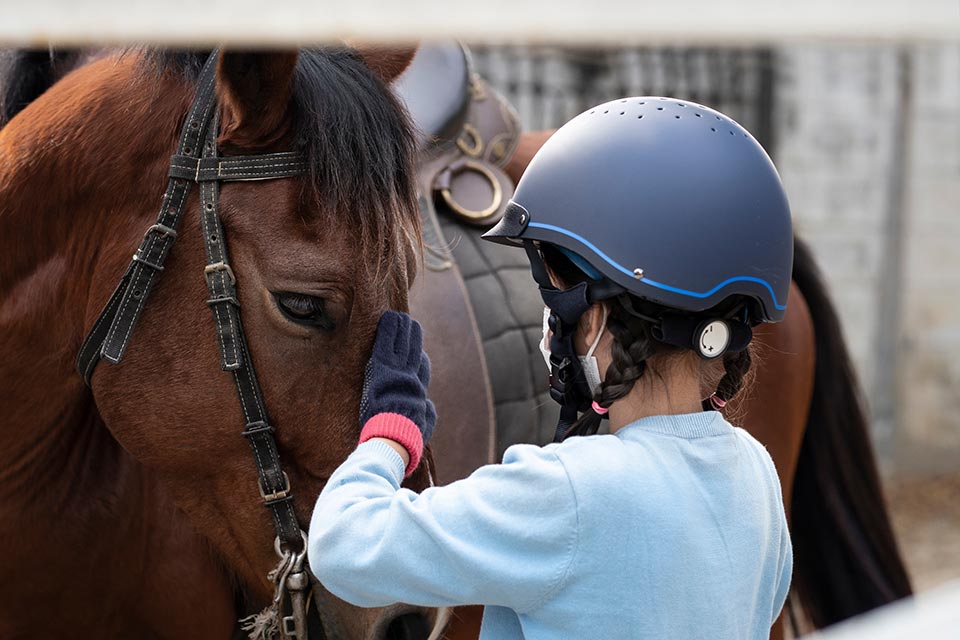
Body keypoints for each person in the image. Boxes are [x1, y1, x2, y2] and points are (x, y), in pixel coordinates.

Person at [308, 96, 793, 639]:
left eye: (554, 297)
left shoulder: (567, 493)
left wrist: (389, 434)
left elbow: (343, 547)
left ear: (599, 318)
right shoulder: (757, 474)